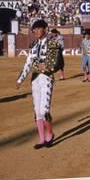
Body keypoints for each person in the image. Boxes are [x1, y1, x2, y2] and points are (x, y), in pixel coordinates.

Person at [16, 20, 60, 149]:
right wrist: (20, 79)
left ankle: (50, 134)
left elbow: (58, 62)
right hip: (35, 79)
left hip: (46, 78)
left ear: (45, 29)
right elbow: (28, 64)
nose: (35, 31)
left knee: (44, 110)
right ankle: (42, 139)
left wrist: (48, 67)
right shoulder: (34, 45)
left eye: (38, 28)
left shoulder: (53, 44)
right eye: (34, 29)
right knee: (37, 111)